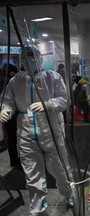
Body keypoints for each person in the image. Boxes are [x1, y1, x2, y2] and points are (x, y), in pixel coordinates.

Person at [0, 45, 73, 216]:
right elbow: (7, 100)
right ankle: (38, 210)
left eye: (32, 56)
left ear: (39, 58)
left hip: (51, 132)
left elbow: (64, 100)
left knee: (61, 170)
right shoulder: (15, 80)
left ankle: (69, 195)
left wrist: (48, 104)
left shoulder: (52, 77)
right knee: (33, 177)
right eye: (25, 57)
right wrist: (5, 109)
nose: (29, 60)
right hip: (26, 134)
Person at [0, 64, 21, 167]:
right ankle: (16, 161)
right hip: (10, 113)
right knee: (14, 137)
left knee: (10, 137)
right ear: (12, 72)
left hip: (3, 113)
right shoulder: (9, 81)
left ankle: (13, 160)